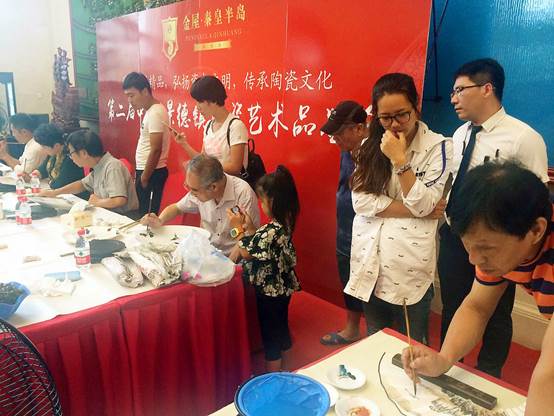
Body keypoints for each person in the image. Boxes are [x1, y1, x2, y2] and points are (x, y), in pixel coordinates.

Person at [402, 161, 554, 416]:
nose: (474, 259)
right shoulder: (500, 240)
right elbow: (477, 307)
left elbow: (549, 374)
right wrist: (444, 359)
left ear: (536, 230)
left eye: (485, 248)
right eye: (469, 246)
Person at [438, 58, 548, 377]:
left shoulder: (523, 137)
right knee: (458, 302)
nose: (453, 98)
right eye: (452, 91)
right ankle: (451, 364)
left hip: (505, 237)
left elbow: (534, 199)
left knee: (497, 314)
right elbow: (475, 307)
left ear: (487, 88)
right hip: (460, 232)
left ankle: (490, 373)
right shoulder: (460, 134)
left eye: (460, 90)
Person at [345, 73, 452, 343]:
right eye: (385, 117)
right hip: (370, 260)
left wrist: (400, 161)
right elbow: (361, 202)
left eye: (402, 115)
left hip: (409, 269)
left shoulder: (439, 147)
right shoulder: (369, 146)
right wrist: (417, 210)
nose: (394, 124)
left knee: (411, 347)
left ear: (417, 106)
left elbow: (425, 203)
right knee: (375, 341)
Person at [227, 166, 300, 372]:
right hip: (283, 288)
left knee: (270, 336)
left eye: (262, 201)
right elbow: (259, 242)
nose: (261, 205)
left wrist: (236, 228)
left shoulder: (270, 231)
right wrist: (249, 227)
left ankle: (272, 375)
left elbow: (245, 252)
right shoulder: (284, 223)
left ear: (273, 202)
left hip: (269, 292)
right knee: (281, 328)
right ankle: (288, 368)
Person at [141, 154, 259, 256]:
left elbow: (247, 240)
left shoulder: (243, 194)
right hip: (207, 252)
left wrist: (227, 266)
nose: (191, 193)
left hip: (234, 258)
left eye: (194, 190)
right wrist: (160, 220)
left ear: (213, 187)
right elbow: (177, 208)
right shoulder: (200, 189)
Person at [319, 101, 368, 345]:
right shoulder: (346, 150)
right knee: (348, 278)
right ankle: (352, 327)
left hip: (368, 232)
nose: (335, 139)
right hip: (345, 227)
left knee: (371, 284)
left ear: (359, 128)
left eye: (339, 133)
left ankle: (378, 333)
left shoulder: (378, 152)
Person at [38, 130, 139, 214]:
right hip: (108, 214)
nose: (71, 157)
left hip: (125, 218)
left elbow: (119, 200)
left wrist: (98, 202)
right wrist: (55, 193)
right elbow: (81, 184)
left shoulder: (112, 166)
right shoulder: (99, 166)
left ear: (84, 153)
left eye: (71, 153)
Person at [172, 75, 248, 176]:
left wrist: (206, 167)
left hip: (231, 184)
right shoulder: (208, 126)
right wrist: (184, 144)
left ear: (213, 100)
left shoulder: (235, 126)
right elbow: (202, 160)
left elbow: (235, 167)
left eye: (200, 102)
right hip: (211, 183)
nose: (197, 107)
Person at [122, 72, 170, 217]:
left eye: (132, 95)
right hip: (148, 171)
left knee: (146, 216)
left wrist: (144, 177)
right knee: (142, 214)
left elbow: (156, 149)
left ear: (144, 91)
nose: (130, 101)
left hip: (152, 173)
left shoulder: (155, 112)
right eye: (127, 96)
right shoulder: (151, 111)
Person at [32, 123, 88, 199]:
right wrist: (34, 175)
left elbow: (58, 185)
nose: (42, 149)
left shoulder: (71, 158)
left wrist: (50, 182)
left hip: (75, 198)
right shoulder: (54, 153)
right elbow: (42, 170)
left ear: (56, 145)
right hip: (60, 195)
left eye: (44, 147)